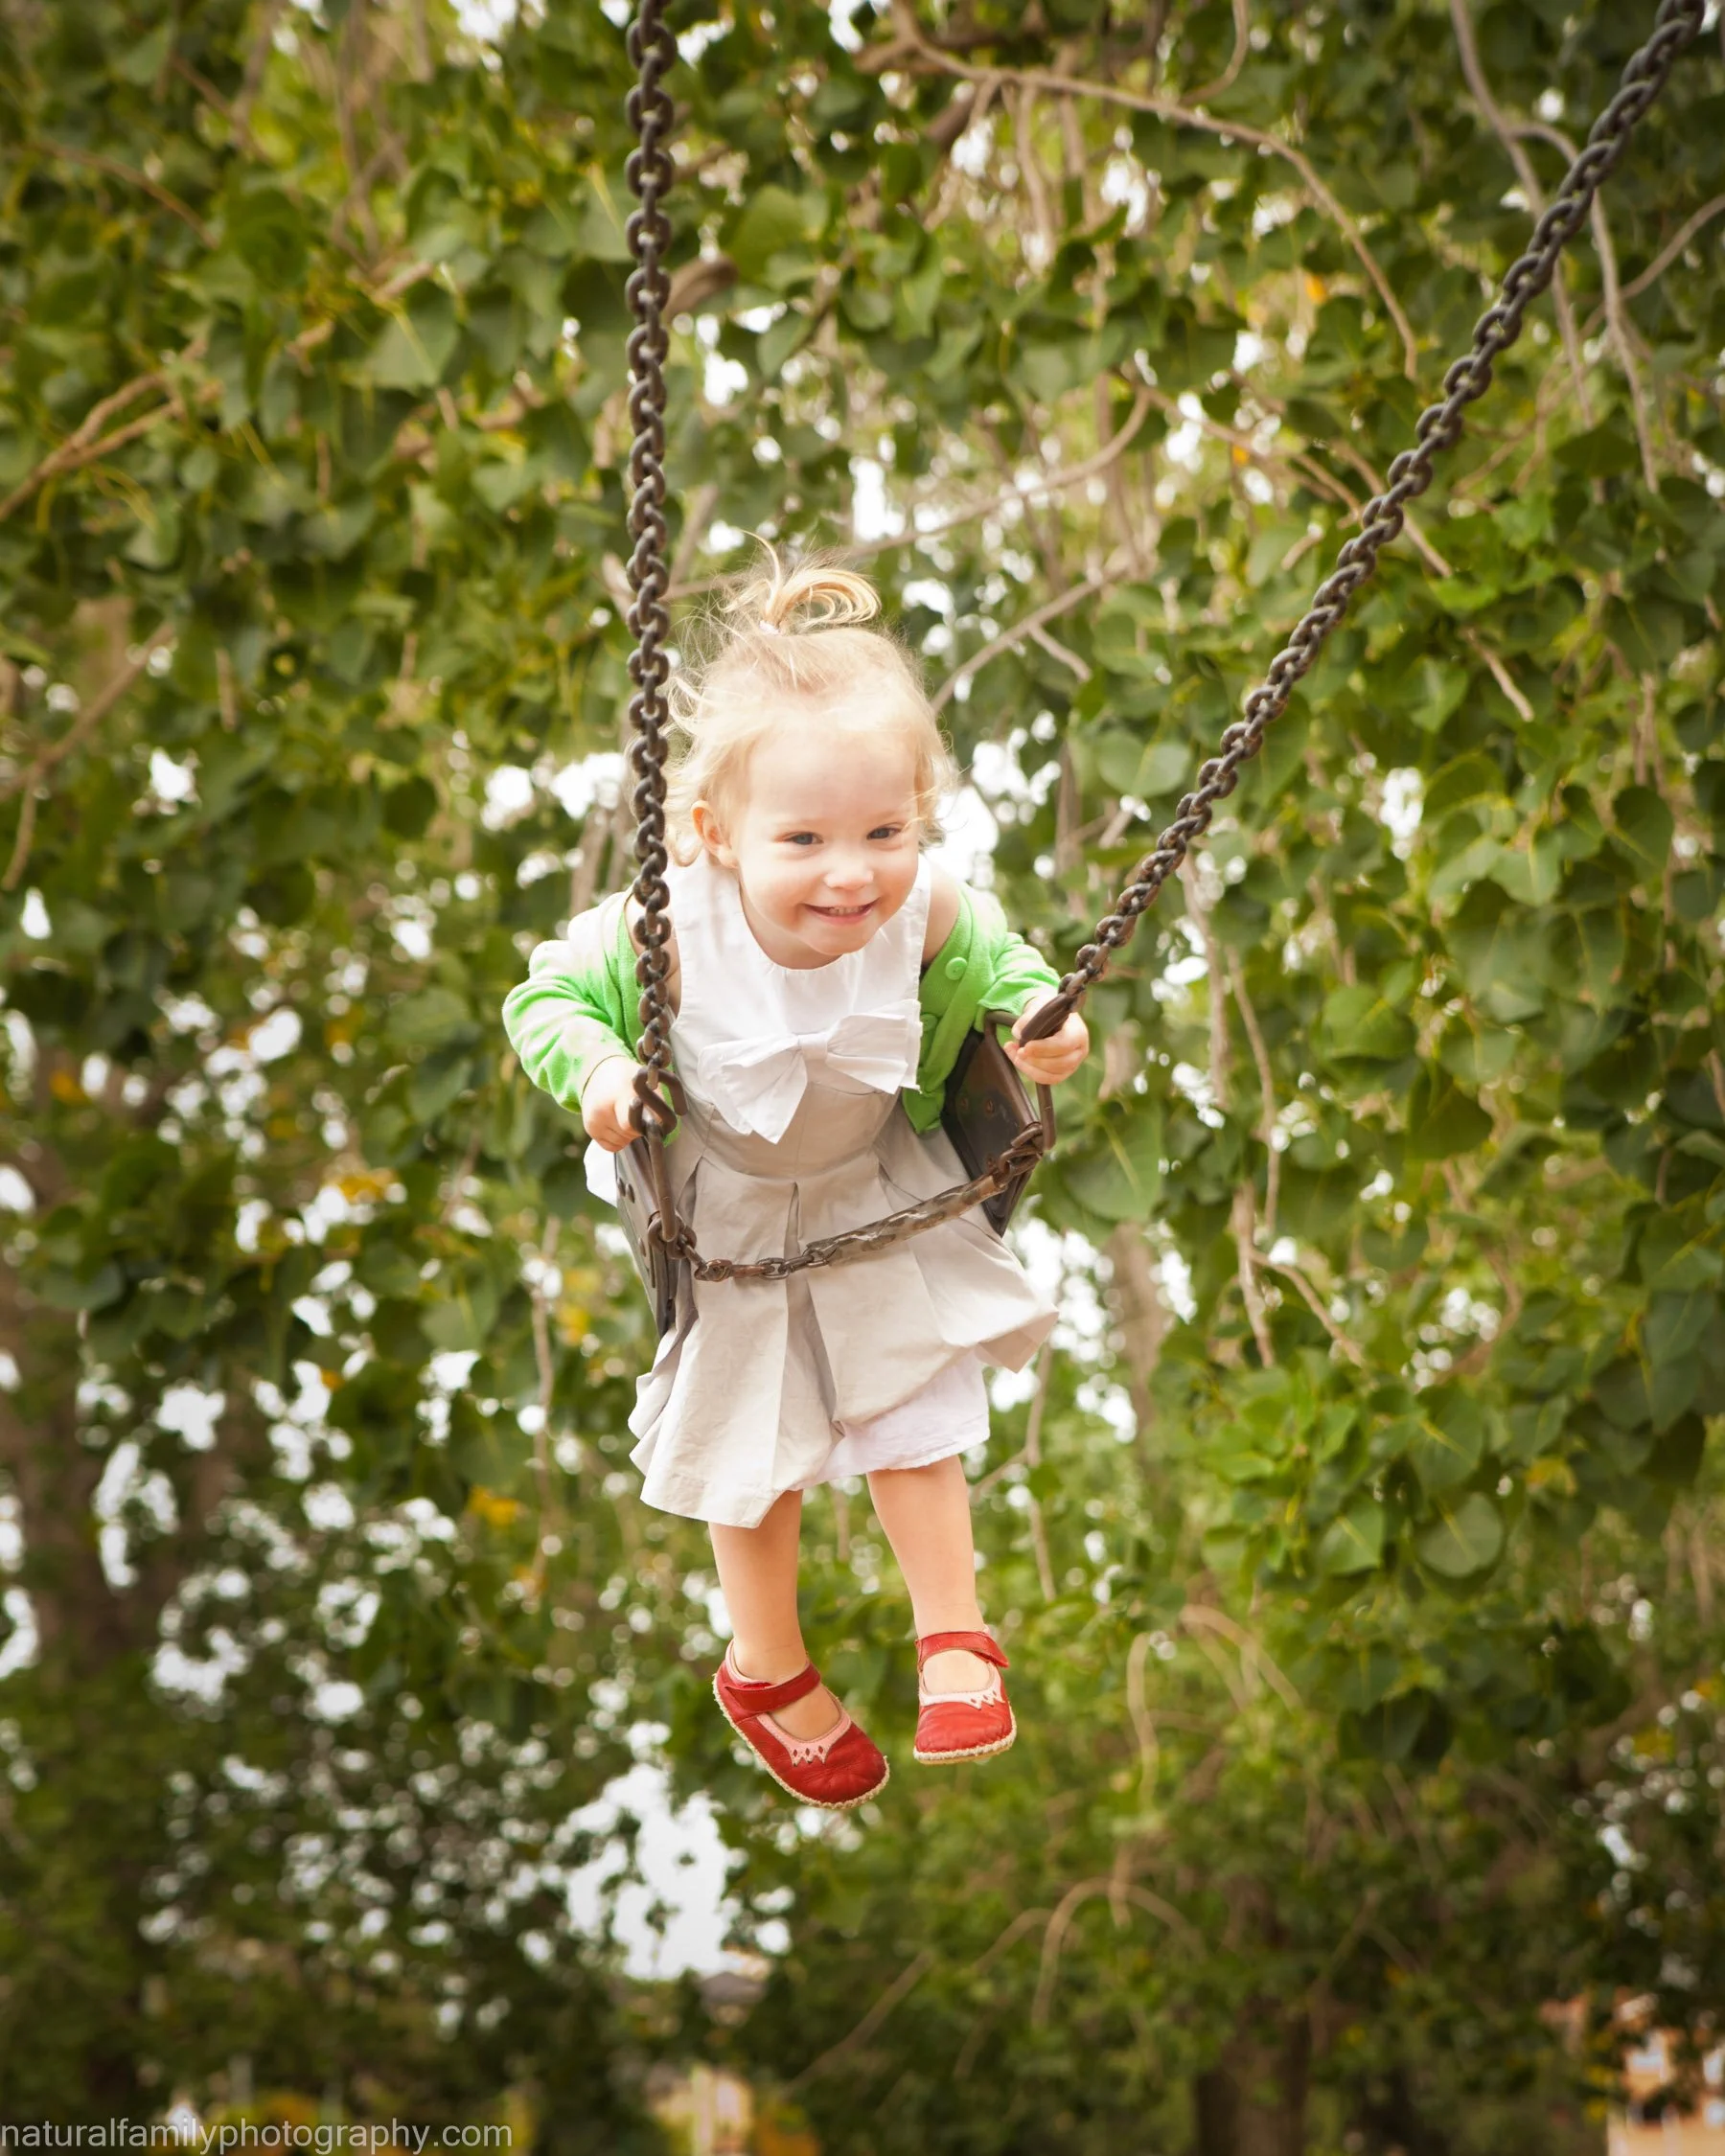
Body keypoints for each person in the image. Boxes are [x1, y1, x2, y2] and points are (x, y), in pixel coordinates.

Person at [503, 553, 1090, 1809]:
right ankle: (767, 1666)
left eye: (885, 831)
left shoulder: (921, 904)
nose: (850, 872)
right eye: (807, 839)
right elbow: (543, 997)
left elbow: (1005, 963)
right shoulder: (668, 923)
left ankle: (955, 1633)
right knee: (751, 1442)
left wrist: (1041, 1020)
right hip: (726, 1208)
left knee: (915, 1401)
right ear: (717, 835)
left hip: (868, 1184)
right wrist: (603, 1074)